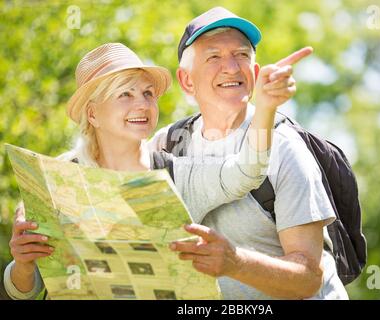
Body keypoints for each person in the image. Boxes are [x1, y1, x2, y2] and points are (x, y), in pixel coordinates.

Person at [3, 38, 298, 300]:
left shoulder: (179, 177)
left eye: (147, 94)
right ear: (92, 113)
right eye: (125, 95)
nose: (142, 105)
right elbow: (24, 290)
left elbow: (247, 171)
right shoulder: (56, 179)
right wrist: (24, 263)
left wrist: (266, 108)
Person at [149, 7, 349, 299]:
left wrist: (236, 263)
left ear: (254, 73)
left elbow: (308, 278)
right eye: (214, 56)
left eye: (241, 55)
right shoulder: (167, 144)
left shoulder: (284, 147)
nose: (231, 67)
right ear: (187, 80)